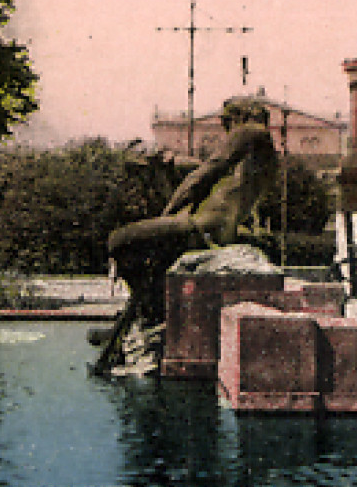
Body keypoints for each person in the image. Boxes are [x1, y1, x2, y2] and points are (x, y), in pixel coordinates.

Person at [93, 96, 281, 373]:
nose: (224, 128)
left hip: (205, 225)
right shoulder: (260, 153)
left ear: (236, 117)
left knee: (119, 240)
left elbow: (204, 173)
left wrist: (167, 213)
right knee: (155, 263)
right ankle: (141, 317)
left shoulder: (251, 131)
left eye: (225, 121)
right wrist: (171, 162)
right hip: (214, 226)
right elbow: (208, 172)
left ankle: (150, 312)